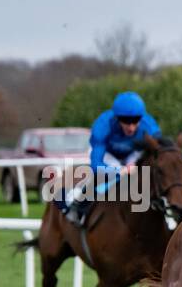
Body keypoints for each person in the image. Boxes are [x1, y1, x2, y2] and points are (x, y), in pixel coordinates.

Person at [66, 91, 161, 222]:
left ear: (141, 118)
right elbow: (96, 165)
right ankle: (78, 204)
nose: (131, 127)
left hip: (132, 155)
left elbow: (160, 151)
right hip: (108, 154)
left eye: (135, 121)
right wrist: (119, 171)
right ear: (116, 118)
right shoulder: (103, 125)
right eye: (126, 121)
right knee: (102, 175)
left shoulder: (149, 125)